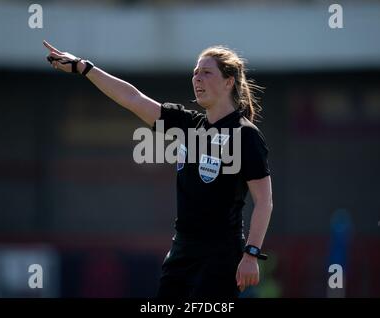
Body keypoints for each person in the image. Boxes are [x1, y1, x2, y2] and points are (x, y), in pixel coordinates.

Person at [43, 41, 273, 298]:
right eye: (195, 72)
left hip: (221, 255)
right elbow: (132, 98)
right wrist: (84, 68)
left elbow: (264, 201)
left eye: (207, 72)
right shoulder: (187, 125)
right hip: (182, 251)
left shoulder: (246, 135)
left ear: (229, 81)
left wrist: (251, 254)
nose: (197, 78)